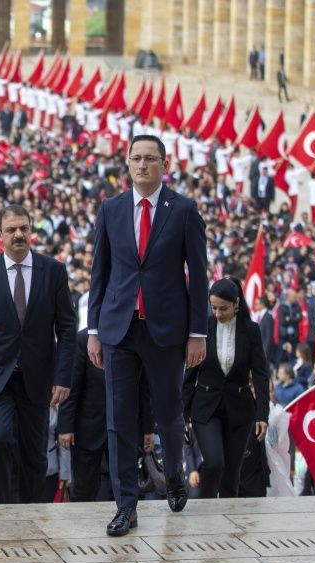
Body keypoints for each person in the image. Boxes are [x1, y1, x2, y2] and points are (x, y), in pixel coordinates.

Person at [85, 134, 208, 537]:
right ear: (127, 163)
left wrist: (197, 333)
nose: (142, 165)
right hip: (119, 327)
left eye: (149, 159)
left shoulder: (184, 210)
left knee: (169, 414)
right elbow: (99, 273)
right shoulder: (111, 209)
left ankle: (174, 471)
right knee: (119, 419)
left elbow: (198, 276)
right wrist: (95, 330)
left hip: (166, 330)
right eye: (135, 158)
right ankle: (126, 505)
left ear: (164, 163)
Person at [0, 205, 76, 503]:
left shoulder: (54, 270)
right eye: (11, 230)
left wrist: (62, 377)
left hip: (38, 377)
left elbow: (67, 327)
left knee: (35, 454)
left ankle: (34, 514)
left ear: (31, 229)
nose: (18, 234)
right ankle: (1, 511)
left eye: (24, 228)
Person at [182, 278, 270, 499]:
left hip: (239, 409)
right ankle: (206, 511)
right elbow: (190, 372)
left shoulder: (251, 330)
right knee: (213, 462)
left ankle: (228, 524)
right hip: (205, 406)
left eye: (224, 308)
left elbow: (260, 374)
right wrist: (182, 414)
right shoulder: (202, 328)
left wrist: (262, 413)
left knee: (232, 474)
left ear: (236, 304)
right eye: (214, 308)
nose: (218, 313)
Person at [57, 329, 110, 502]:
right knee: (83, 491)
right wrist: (65, 426)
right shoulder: (82, 339)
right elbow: (71, 386)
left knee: (119, 489)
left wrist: (146, 426)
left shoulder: (131, 335)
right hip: (87, 430)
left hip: (122, 427)